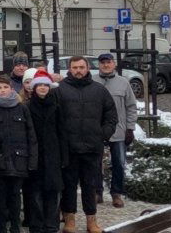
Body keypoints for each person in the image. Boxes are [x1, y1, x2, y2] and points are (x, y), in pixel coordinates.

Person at [56, 56, 117, 233]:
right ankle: (69, 221)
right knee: (68, 186)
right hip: (69, 149)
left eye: (81, 67)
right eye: (75, 67)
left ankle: (92, 221)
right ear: (69, 68)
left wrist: (102, 135)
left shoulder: (99, 90)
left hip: (92, 148)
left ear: (88, 68)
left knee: (90, 186)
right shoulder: (60, 90)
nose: (78, 70)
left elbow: (111, 116)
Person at [0, 76, 37, 233]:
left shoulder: (22, 107)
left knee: (15, 196)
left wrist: (32, 160)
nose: (2, 90)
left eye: (5, 87)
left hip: (19, 159)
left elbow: (31, 135)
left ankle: (15, 226)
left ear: (11, 89)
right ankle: (2, 226)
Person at [25, 70, 67, 233]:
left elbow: (62, 132)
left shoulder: (56, 106)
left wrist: (64, 157)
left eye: (45, 85)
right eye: (39, 85)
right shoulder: (27, 107)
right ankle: (36, 225)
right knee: (35, 193)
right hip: (35, 156)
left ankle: (52, 224)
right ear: (34, 88)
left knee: (53, 192)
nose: (42, 88)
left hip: (53, 155)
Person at [95, 53, 137, 208]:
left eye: (108, 62)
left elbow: (131, 107)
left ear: (114, 64)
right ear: (99, 64)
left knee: (119, 162)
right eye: (103, 62)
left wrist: (130, 128)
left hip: (118, 130)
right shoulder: (92, 81)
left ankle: (116, 193)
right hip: (96, 130)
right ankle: (97, 192)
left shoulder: (123, 83)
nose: (106, 65)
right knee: (95, 163)